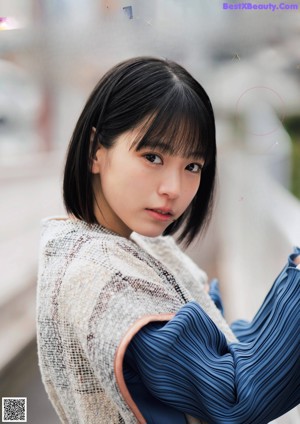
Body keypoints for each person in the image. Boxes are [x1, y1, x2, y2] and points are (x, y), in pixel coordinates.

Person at [36, 56, 300, 424]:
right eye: (153, 156)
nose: (173, 189)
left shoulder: (79, 246)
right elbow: (236, 398)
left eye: (192, 166)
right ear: (97, 150)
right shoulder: (105, 279)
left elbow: (217, 351)